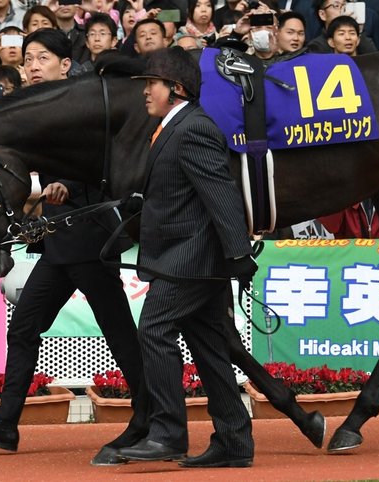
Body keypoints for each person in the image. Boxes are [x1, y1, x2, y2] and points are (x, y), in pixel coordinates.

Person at [0, 29, 150, 467]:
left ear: (65, 64)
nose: (33, 66)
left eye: (43, 58)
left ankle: (150, 413)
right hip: (62, 236)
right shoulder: (40, 109)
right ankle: (6, 422)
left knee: (115, 329)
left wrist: (66, 185)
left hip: (89, 233)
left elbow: (106, 159)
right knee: (28, 329)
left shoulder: (90, 99)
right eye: (29, 59)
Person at [118, 46, 256, 468]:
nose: (145, 93)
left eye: (151, 85)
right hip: (185, 256)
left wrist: (238, 253)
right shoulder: (171, 128)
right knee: (210, 347)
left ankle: (167, 434)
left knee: (154, 329)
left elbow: (221, 194)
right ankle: (234, 442)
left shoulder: (192, 128)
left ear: (174, 89)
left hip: (192, 258)